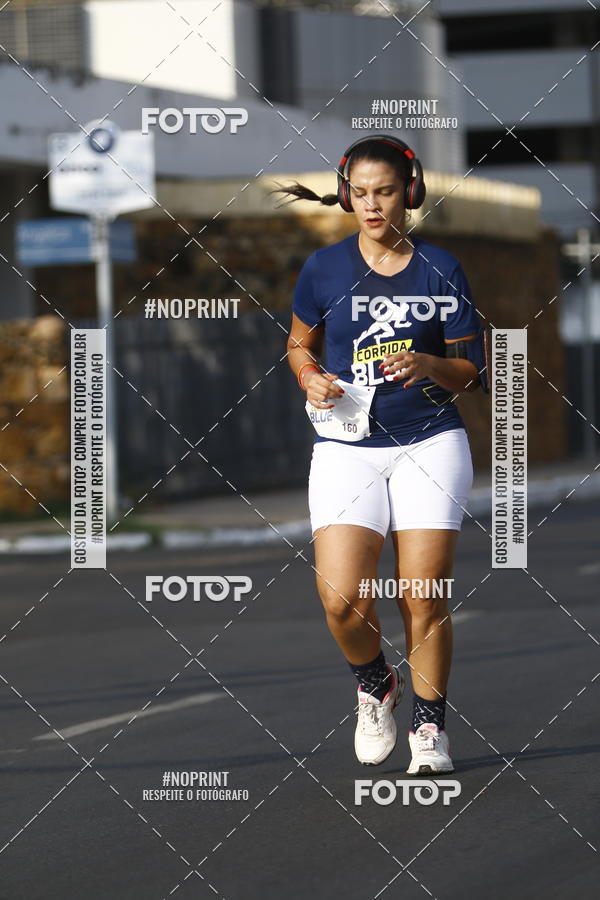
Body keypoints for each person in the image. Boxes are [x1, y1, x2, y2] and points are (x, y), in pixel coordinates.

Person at [275, 135, 488, 774]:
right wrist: (308, 377)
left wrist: (428, 363)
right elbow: (298, 347)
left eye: (386, 191)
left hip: (429, 441)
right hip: (346, 447)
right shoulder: (323, 268)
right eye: (361, 192)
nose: (372, 205)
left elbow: (471, 370)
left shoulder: (440, 268)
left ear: (411, 193)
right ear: (347, 194)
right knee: (341, 598)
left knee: (421, 593)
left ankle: (429, 728)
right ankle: (375, 683)